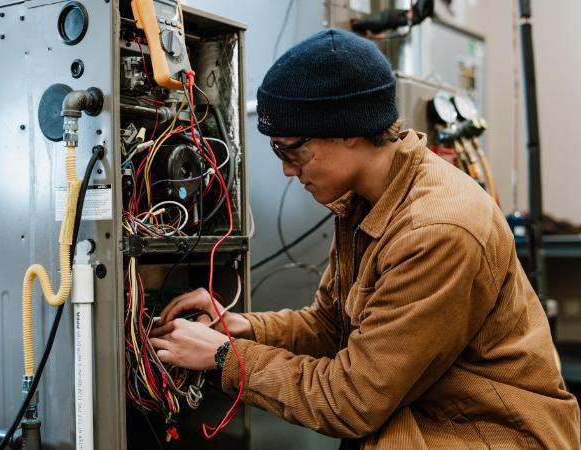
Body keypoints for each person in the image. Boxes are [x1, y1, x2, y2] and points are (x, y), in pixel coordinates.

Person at [151, 28, 580, 448]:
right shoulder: (367, 201)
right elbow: (332, 326)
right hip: (432, 418)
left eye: (291, 150)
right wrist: (241, 325)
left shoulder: (435, 230)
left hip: (485, 434)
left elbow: (351, 401)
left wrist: (226, 356)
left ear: (347, 130)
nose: (285, 170)